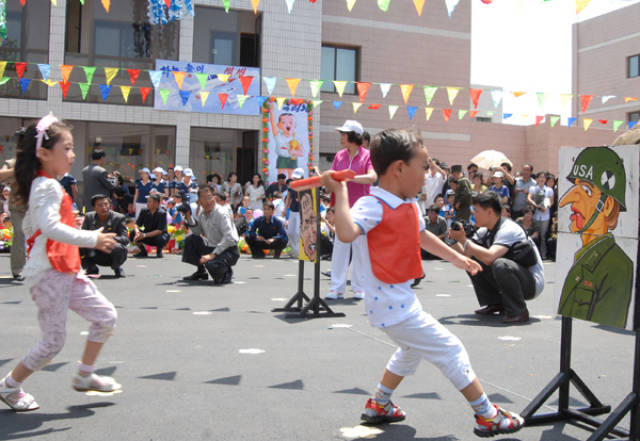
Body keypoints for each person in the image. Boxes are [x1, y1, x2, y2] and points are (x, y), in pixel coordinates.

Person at [321, 129, 524, 437]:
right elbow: (346, 234)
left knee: (410, 350)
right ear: (399, 169)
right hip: (390, 306)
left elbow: (421, 235)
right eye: (424, 166)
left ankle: (379, 404)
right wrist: (341, 192)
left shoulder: (407, 204)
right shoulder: (372, 205)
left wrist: (456, 258)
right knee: (451, 349)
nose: (429, 173)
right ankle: (488, 415)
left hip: (401, 300)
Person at [0, 114, 120, 412]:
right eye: (66, 148)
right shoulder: (46, 186)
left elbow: (37, 227)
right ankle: (9, 386)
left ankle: (84, 375)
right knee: (53, 342)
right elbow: (49, 228)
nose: (73, 154)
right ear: (43, 153)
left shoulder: (46, 185)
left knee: (105, 317)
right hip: (50, 275)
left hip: (66, 270)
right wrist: (91, 237)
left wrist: (71, 226)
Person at [557, 146, 633, 329]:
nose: (570, 201)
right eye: (575, 187)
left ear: (607, 205)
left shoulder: (618, 267)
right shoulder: (580, 257)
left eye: (587, 191)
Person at [449, 191, 545, 324]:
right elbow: (466, 257)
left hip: (531, 283)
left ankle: (519, 311)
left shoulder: (509, 229)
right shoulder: (484, 231)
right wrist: (454, 241)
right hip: (517, 276)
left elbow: (489, 258)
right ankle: (496, 303)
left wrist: (464, 240)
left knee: (500, 264)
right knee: (473, 261)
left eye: (476, 211)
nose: (473, 214)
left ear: (489, 212)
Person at [326, 120, 377, 300]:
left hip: (362, 207)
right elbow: (331, 177)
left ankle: (359, 287)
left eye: (344, 133)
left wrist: (350, 178)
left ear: (354, 136)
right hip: (342, 206)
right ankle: (336, 287)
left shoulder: (368, 155)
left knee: (360, 248)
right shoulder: (339, 156)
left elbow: (372, 177)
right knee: (340, 246)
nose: (341, 136)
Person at [182, 185, 239, 284]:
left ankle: (226, 272)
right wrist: (188, 217)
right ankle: (201, 271)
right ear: (199, 201)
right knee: (191, 240)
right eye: (203, 198)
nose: (207, 201)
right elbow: (198, 232)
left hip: (228, 250)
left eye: (209, 197)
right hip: (212, 246)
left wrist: (212, 255)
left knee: (212, 265)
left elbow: (229, 238)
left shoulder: (222, 213)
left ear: (214, 198)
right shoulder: (202, 214)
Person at [80, 194, 128, 278]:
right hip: (94, 250)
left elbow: (125, 239)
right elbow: (83, 234)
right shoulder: (88, 217)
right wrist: (94, 239)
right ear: (94, 207)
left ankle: (116, 267)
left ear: (110, 205)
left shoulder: (119, 218)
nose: (104, 207)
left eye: (106, 204)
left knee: (118, 248)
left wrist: (106, 239)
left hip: (110, 250)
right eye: (100, 205)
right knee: (77, 245)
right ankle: (90, 267)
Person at [0, 157, 27, 280]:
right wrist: (16, 170)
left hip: (35, 205)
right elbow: (1, 175)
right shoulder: (11, 162)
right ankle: (18, 269)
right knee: (19, 233)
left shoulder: (41, 159)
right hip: (17, 207)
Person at [130, 193, 170, 258]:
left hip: (157, 236)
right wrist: (137, 233)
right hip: (146, 234)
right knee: (132, 233)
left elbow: (159, 231)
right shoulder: (144, 211)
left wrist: (144, 235)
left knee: (161, 238)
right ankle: (143, 251)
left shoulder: (162, 213)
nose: (147, 203)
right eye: (147, 201)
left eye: (150, 202)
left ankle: (159, 251)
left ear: (156, 203)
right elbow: (136, 224)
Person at [526, 171, 554, 260]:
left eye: (543, 178)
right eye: (540, 177)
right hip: (536, 215)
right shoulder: (533, 189)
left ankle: (544, 254)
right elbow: (529, 198)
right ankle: (535, 254)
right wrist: (536, 205)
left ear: (545, 179)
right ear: (537, 179)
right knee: (536, 235)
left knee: (543, 235)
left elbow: (551, 201)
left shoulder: (549, 190)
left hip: (545, 215)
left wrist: (546, 206)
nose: (542, 179)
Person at [81, 147, 114, 212]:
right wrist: (113, 177)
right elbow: (111, 186)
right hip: (100, 204)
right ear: (102, 158)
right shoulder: (102, 171)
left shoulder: (84, 170)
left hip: (88, 203)